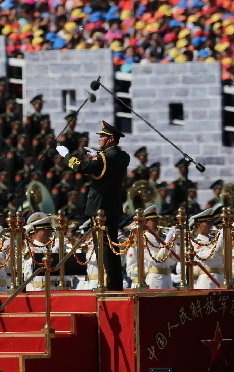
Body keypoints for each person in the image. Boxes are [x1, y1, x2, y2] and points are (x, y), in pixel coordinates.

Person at [58, 120, 130, 291]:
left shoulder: (104, 158)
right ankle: (115, 284)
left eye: (103, 136)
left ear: (111, 139)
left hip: (100, 208)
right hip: (112, 207)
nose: (99, 139)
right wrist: (98, 155)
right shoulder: (123, 156)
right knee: (112, 248)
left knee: (103, 248)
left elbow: (81, 167)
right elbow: (106, 165)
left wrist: (67, 156)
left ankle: (105, 283)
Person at [125, 205, 177, 289]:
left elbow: (173, 261)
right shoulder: (144, 239)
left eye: (157, 219)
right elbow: (156, 260)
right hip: (155, 280)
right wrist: (167, 241)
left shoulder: (159, 239)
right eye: (154, 220)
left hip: (167, 278)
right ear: (145, 223)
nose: (157, 222)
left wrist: (175, 242)